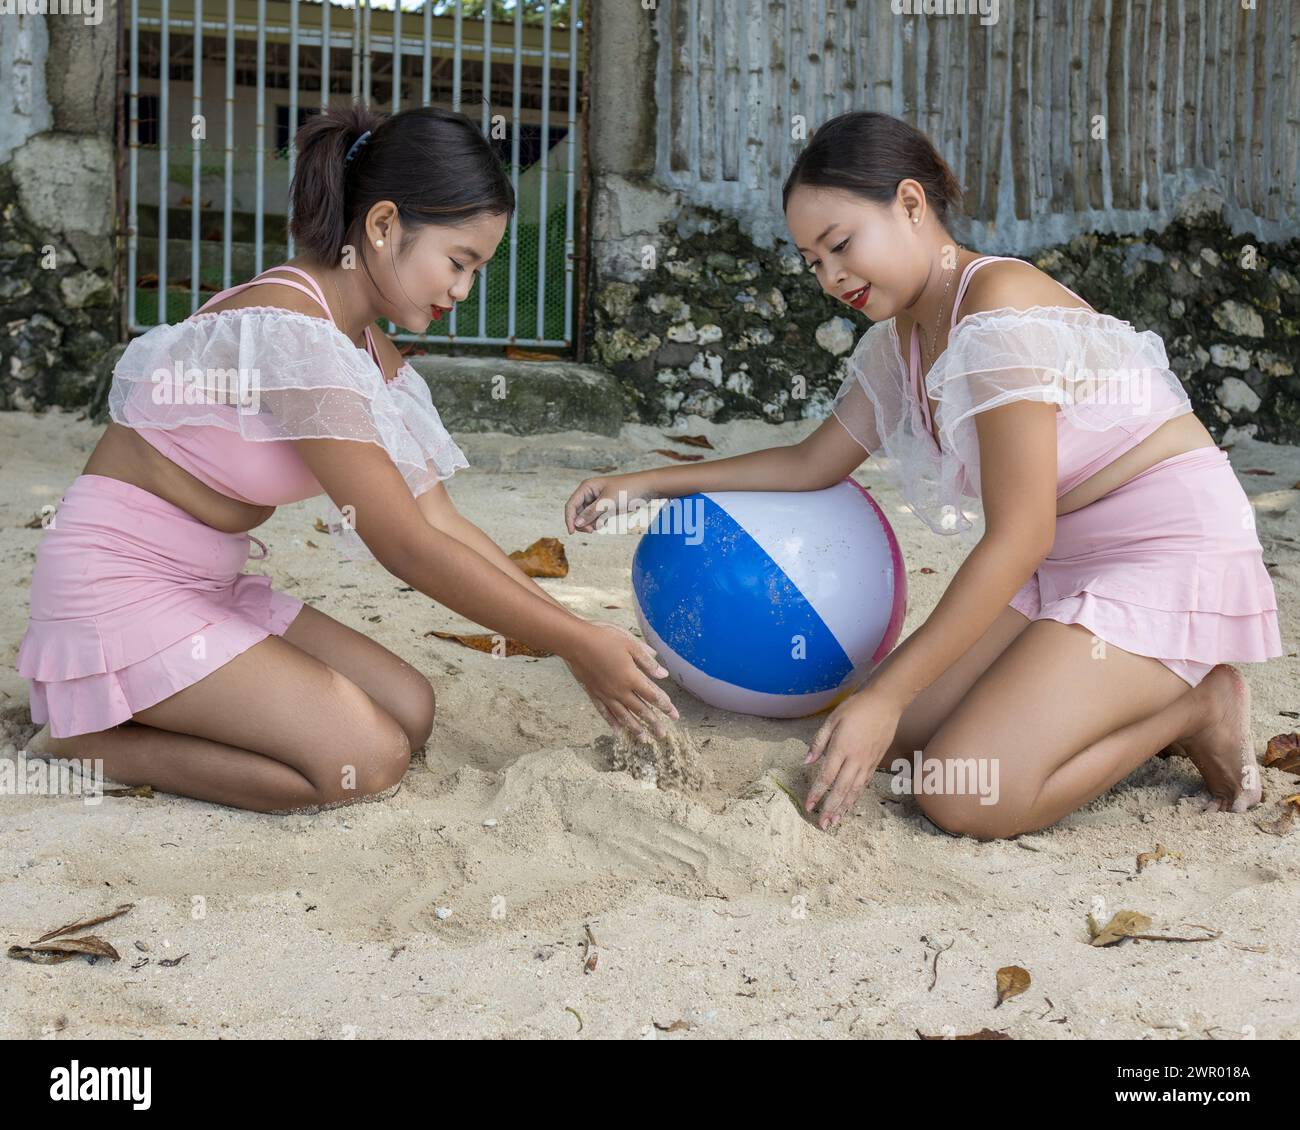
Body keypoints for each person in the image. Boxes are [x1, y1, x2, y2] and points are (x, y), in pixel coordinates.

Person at [563, 110, 1282, 839]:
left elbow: (1020, 534)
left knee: (961, 793)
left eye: (841, 244)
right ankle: (1114, 688)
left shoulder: (998, 310)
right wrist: (649, 483)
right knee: (903, 748)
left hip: (1161, 555)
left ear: (911, 205)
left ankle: (1200, 703)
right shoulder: (897, 343)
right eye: (812, 260)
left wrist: (884, 696)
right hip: (1062, 563)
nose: (830, 275)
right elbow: (812, 463)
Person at [18, 104, 677, 814]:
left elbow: (440, 522)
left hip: (208, 587)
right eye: (458, 262)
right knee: (366, 760)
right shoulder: (292, 332)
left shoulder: (363, 348)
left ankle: (157, 704)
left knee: (411, 708)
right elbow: (404, 545)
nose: (463, 291)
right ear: (384, 225)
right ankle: (84, 745)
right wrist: (577, 642)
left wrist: (573, 637)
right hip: (118, 590)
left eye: (478, 270)